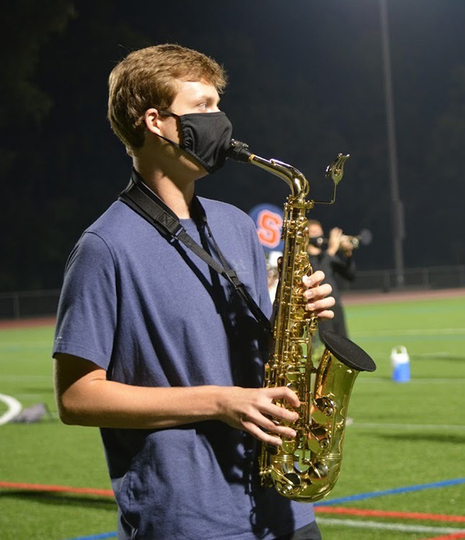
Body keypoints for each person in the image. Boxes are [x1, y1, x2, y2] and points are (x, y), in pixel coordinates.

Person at [52, 44, 335, 539]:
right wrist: (220, 402)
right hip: (188, 518)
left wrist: (299, 321)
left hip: (283, 505)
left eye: (218, 104)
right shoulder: (104, 247)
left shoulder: (234, 225)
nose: (219, 119)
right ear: (156, 122)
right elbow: (76, 398)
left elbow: (264, 357)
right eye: (202, 106)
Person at [307, 219, 356, 339]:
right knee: (326, 343)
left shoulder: (326, 256)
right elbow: (320, 272)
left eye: (319, 231)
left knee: (343, 341)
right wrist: (331, 250)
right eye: (313, 232)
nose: (318, 235)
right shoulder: (306, 259)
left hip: (336, 304)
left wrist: (348, 255)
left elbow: (350, 275)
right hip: (320, 308)